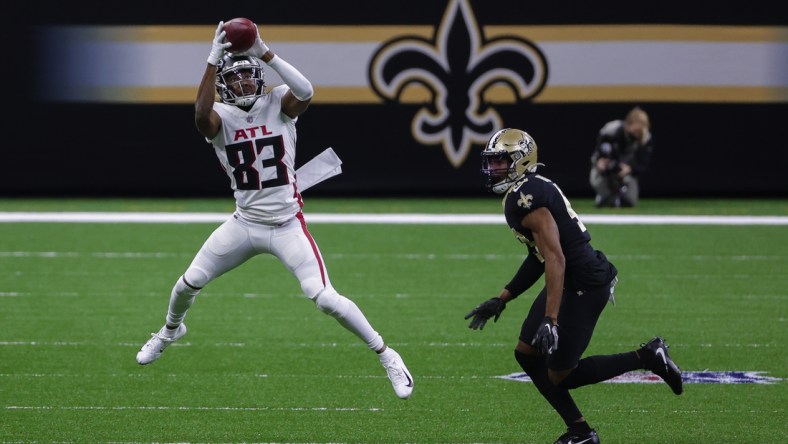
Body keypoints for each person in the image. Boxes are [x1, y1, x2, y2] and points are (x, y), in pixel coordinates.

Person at [135, 21, 413, 400]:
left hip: (286, 225)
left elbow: (307, 90)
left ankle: (387, 354)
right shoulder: (219, 117)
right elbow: (201, 116)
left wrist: (265, 51)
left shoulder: (279, 105)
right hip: (245, 223)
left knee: (325, 297)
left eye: (251, 76)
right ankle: (170, 330)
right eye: (237, 80)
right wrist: (212, 60)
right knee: (186, 284)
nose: (247, 84)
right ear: (223, 85)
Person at [464, 128, 681, 443]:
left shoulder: (526, 197)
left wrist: (551, 320)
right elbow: (540, 257)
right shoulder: (525, 190)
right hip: (568, 277)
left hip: (584, 283)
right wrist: (503, 298)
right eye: (492, 161)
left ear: (521, 160)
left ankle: (647, 357)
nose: (494, 168)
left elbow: (555, 258)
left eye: (501, 161)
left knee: (561, 374)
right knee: (527, 353)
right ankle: (579, 431)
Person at [589, 106, 654, 207]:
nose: (637, 135)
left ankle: (619, 196)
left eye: (639, 132)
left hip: (627, 171)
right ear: (628, 125)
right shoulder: (611, 130)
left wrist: (630, 169)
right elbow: (599, 152)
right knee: (600, 186)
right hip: (607, 170)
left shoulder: (645, 137)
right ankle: (604, 195)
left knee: (630, 201)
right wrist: (601, 162)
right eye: (635, 131)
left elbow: (643, 163)